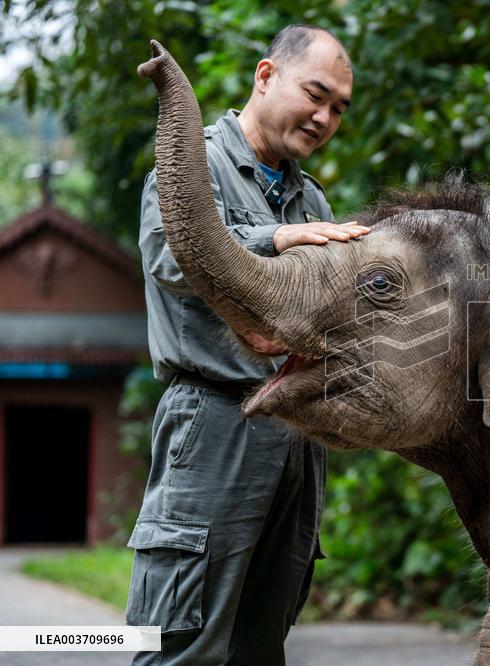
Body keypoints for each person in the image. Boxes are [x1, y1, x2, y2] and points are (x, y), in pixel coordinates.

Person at [127, 25, 365, 665]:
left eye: (338, 108)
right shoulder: (193, 162)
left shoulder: (310, 198)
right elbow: (169, 257)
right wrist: (275, 241)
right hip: (215, 418)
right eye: (315, 94)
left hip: (295, 433)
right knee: (182, 644)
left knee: (261, 646)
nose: (324, 118)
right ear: (266, 76)